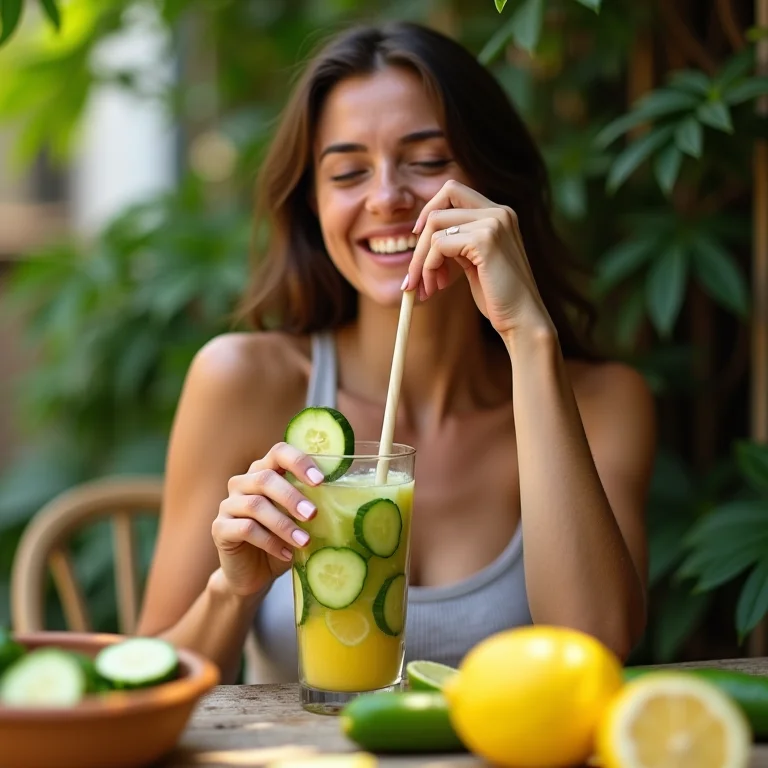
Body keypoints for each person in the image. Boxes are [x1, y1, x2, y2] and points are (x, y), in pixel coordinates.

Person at [136, 20, 656, 684]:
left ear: (496, 183)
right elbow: (148, 686)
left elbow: (597, 646)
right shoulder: (240, 382)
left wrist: (529, 339)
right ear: (313, 203)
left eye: (429, 162)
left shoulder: (604, 401)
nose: (386, 198)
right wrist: (231, 590)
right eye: (348, 171)